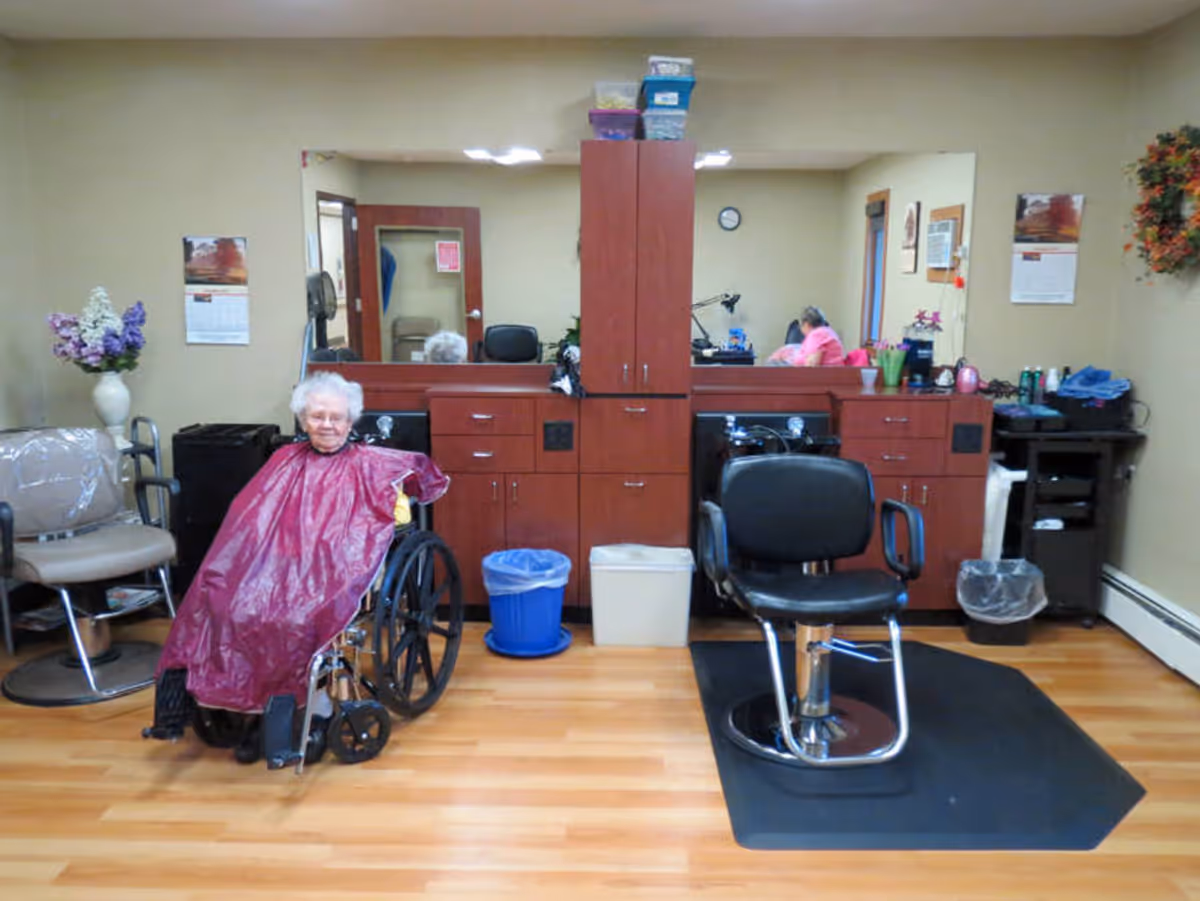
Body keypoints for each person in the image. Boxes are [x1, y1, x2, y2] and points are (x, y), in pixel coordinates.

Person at [151, 372, 449, 755]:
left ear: (350, 420)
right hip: (272, 566)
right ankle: (249, 709)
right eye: (317, 416)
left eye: (335, 417)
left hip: (334, 572)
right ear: (303, 419)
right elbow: (248, 523)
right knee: (226, 605)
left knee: (292, 617)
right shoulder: (282, 460)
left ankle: (309, 709)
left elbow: (415, 479)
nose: (326, 425)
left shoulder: (371, 465)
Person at [766, 306, 847, 367]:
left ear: (806, 324)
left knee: (772, 364)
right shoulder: (828, 332)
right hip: (831, 375)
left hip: (819, 379)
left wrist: (793, 361)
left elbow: (812, 365)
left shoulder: (816, 334)